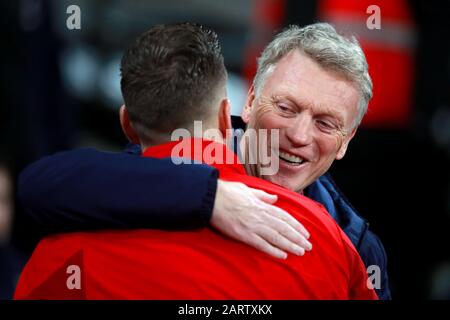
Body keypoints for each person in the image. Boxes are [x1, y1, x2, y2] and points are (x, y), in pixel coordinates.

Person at [18, 23, 390, 299]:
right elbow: (41, 186)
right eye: (286, 108)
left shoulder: (355, 245)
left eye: (326, 123)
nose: (300, 135)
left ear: (346, 141)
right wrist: (207, 195)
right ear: (246, 102)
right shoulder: (148, 175)